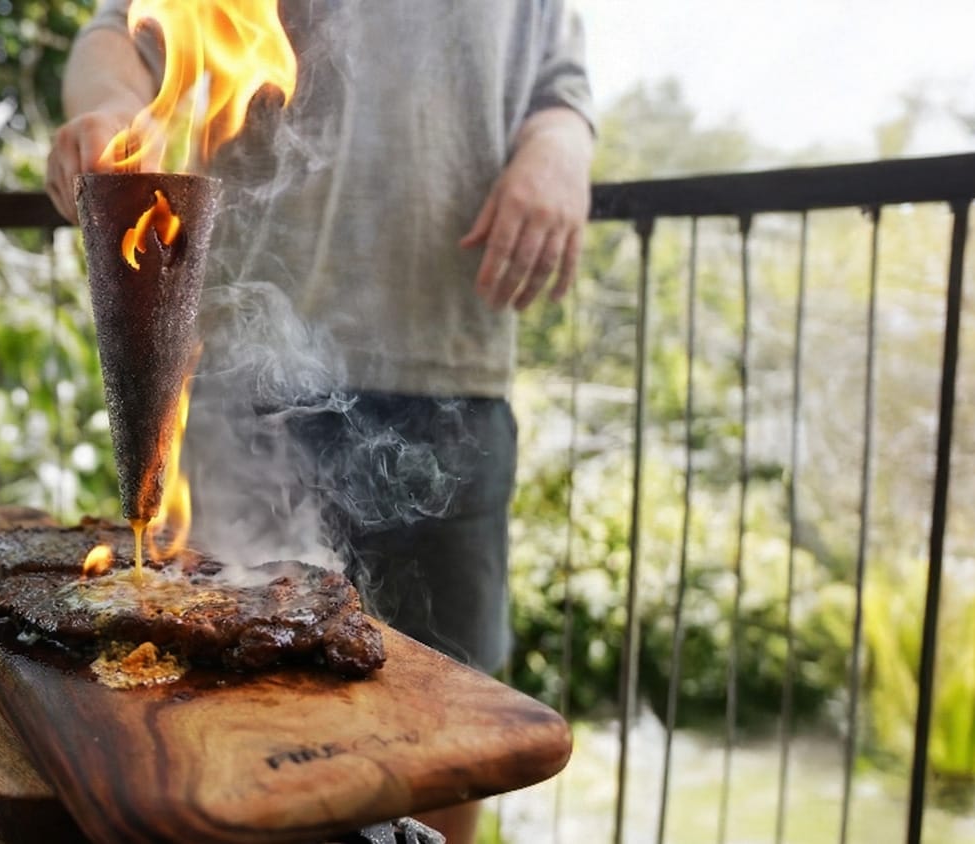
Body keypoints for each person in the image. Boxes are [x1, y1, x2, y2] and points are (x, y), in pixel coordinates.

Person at [48, 3, 593, 840]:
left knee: (449, 729)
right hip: (244, 376)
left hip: (448, 352)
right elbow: (119, 31)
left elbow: (558, 80)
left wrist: (560, 146)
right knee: (218, 717)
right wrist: (118, 110)